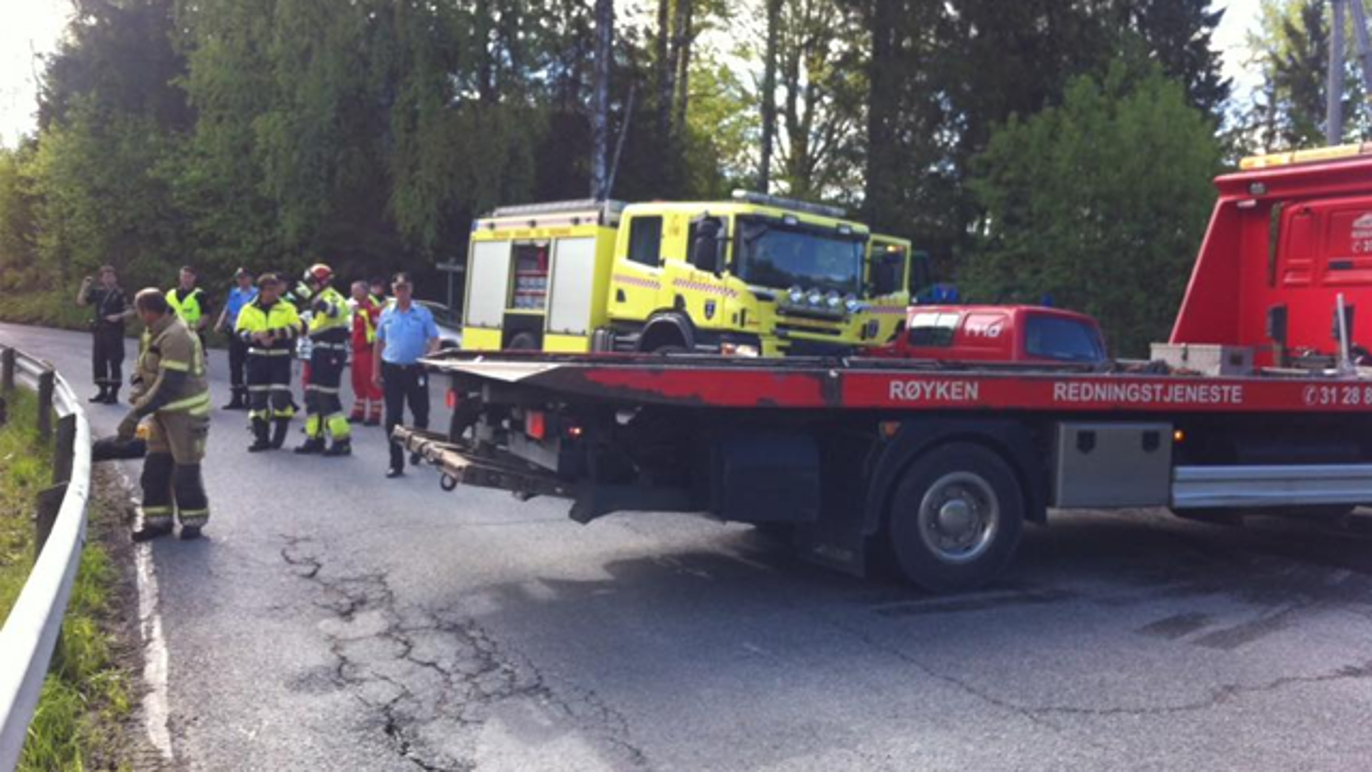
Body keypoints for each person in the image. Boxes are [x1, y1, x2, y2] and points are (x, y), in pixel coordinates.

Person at [117, 289, 212, 541]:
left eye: (139, 313)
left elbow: (169, 384)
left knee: (185, 472)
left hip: (186, 414)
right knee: (155, 469)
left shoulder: (177, 335)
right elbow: (142, 368)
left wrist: (135, 414)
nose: (139, 318)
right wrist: (137, 387)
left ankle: (193, 522)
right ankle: (158, 522)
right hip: (161, 413)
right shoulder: (153, 332)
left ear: (147, 312)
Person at [373, 273, 438, 478]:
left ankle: (418, 449)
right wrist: (375, 371)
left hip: (415, 369)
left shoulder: (422, 313)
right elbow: (378, 343)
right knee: (393, 417)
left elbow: (435, 339)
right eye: (398, 288)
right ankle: (396, 463)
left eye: (405, 288)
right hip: (392, 370)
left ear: (411, 289)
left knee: (421, 413)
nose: (402, 292)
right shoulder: (386, 314)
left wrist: (429, 359)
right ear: (393, 290)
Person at [235, 274, 301, 451]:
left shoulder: (287, 308)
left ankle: (279, 436)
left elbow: (297, 328)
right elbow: (239, 331)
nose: (273, 292)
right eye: (269, 289)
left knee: (280, 397)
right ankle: (261, 438)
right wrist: (254, 336)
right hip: (256, 358)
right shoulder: (248, 309)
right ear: (261, 290)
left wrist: (276, 333)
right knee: (257, 401)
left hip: (280, 357)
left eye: (275, 288)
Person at [293, 264, 352, 456]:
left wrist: (312, 297)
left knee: (327, 396)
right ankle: (314, 438)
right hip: (319, 351)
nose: (310, 286)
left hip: (332, 351)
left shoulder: (333, 296)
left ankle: (342, 440)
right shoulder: (319, 297)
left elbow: (333, 311)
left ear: (323, 281)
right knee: (312, 396)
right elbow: (312, 326)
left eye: (312, 282)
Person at [75, 265, 132, 404]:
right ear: (101, 278)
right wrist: (84, 287)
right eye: (105, 276)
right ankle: (102, 391)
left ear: (115, 277)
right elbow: (81, 302)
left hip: (114, 331)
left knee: (114, 362)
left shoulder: (120, 293)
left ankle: (113, 394)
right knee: (99, 361)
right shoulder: (98, 292)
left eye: (110, 275)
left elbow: (131, 310)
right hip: (100, 331)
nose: (108, 278)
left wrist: (118, 316)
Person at [215, 267, 258, 410]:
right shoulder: (234, 293)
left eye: (244, 277)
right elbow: (227, 309)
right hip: (234, 332)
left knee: (251, 366)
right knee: (235, 365)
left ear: (250, 279)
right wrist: (220, 323)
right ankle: (236, 398)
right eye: (239, 278)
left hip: (251, 333)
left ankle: (250, 398)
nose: (241, 280)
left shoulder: (257, 293)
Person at [348, 280, 383, 425]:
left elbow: (376, 322)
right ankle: (358, 412)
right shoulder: (358, 307)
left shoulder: (370, 305)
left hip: (368, 350)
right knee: (357, 382)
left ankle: (375, 414)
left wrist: (360, 312)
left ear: (365, 291)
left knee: (371, 382)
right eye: (352, 290)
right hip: (357, 349)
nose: (353, 294)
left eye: (356, 290)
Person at [166, 266, 212, 348]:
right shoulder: (170, 294)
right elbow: (164, 313)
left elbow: (206, 315)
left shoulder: (200, 295)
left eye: (188, 277)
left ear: (194, 278)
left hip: (194, 335)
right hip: (173, 334)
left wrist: (193, 328)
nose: (185, 279)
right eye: (183, 276)